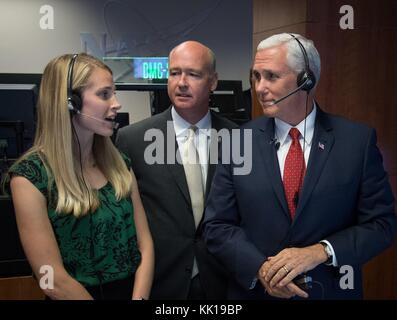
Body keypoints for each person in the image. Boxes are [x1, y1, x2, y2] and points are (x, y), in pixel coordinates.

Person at [202, 33, 397, 299]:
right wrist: (262, 270)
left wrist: (321, 251)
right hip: (257, 294)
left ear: (307, 80)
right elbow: (217, 226)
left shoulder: (356, 142)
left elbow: (382, 224)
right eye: (256, 76)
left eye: (271, 76)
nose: (259, 88)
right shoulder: (238, 141)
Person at [7, 53, 154, 300]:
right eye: (104, 94)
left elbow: (145, 246)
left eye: (114, 93)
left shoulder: (119, 165)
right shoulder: (30, 177)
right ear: (70, 102)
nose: (116, 103)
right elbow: (50, 278)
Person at [116, 40, 237, 299]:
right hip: (160, 283)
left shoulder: (238, 138)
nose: (181, 82)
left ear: (213, 82)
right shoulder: (133, 139)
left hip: (222, 283)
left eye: (193, 74)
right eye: (174, 73)